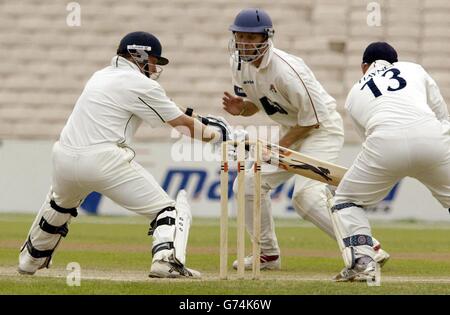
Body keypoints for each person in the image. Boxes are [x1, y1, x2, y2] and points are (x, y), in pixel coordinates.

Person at [18, 31, 230, 279]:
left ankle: (29, 260)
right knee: (168, 210)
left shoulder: (101, 75)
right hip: (102, 161)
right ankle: (166, 261)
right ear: (139, 55)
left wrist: (200, 119)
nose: (155, 68)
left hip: (63, 157)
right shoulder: (143, 85)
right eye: (154, 61)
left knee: (59, 206)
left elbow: (167, 106)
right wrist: (217, 136)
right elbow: (181, 124)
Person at [222, 8, 390, 271]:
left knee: (305, 198)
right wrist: (243, 108)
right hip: (293, 129)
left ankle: (366, 248)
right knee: (248, 183)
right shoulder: (237, 63)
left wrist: (278, 149)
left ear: (266, 38)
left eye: (251, 38)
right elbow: (261, 102)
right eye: (240, 36)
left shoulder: (287, 70)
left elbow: (311, 120)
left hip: (320, 130)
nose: (244, 43)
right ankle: (268, 254)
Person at [329, 42, 450, 281]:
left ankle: (363, 262)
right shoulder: (413, 69)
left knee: (345, 201)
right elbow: (441, 114)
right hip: (432, 139)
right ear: (394, 63)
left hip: (384, 145)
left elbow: (367, 140)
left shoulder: (354, 94)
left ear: (364, 66)